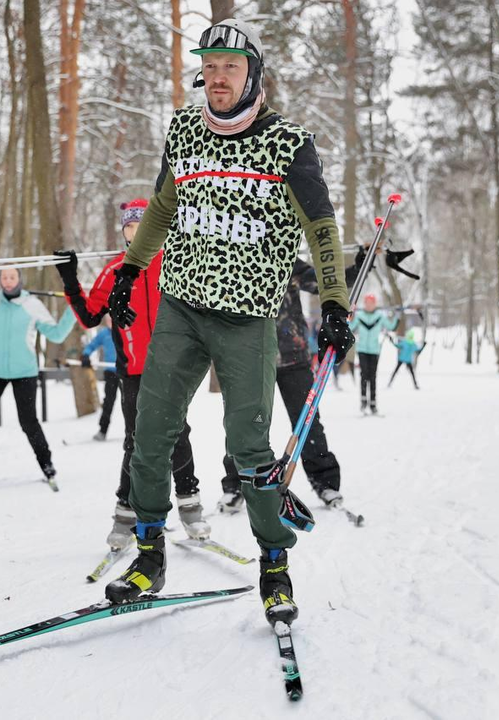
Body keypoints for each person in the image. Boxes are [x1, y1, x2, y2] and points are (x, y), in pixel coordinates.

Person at [101, 19, 354, 630]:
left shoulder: (288, 142)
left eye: (230, 68)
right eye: (210, 66)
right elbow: (162, 206)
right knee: (150, 432)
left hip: (247, 318)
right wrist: (132, 275)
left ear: (253, 76)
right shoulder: (185, 129)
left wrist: (336, 305)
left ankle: (273, 564)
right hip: (181, 307)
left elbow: (320, 227)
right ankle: (149, 554)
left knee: (249, 446)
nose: (217, 78)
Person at [54, 199, 208, 550]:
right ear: (124, 231)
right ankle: (126, 514)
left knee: (177, 434)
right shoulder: (115, 271)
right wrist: (69, 279)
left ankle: (190, 504)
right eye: (130, 228)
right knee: (136, 441)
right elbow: (90, 317)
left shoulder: (176, 262)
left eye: (143, 227)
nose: (136, 233)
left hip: (172, 368)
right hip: (134, 371)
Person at [217, 251, 364, 513]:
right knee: (243, 425)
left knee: (307, 422)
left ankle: (325, 482)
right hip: (250, 359)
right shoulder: (233, 258)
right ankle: (236, 485)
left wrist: (358, 267)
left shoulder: (283, 256)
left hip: (292, 356)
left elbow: (325, 282)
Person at [0, 268, 76, 484]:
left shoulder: (32, 305)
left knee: (28, 421)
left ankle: (47, 464)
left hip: (24, 372)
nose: (8, 281)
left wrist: (74, 308)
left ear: (19, 279)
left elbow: (56, 334)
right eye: (4, 277)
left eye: (12, 277)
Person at [349, 293, 399, 414]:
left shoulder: (380, 316)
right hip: (362, 350)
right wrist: (348, 317)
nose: (369, 305)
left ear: (375, 304)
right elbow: (350, 327)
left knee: (372, 376)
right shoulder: (360, 316)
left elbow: (391, 326)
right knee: (364, 375)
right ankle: (363, 401)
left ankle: (373, 404)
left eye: (372, 303)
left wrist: (397, 315)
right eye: (367, 303)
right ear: (365, 304)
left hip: (374, 350)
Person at [81, 314, 119, 441]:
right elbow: (92, 345)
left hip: (126, 372)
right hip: (111, 373)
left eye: (112, 319)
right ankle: (103, 430)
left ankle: (133, 431)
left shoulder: (125, 330)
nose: (111, 322)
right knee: (108, 401)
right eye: (108, 319)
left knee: (130, 403)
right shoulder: (104, 334)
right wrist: (86, 355)